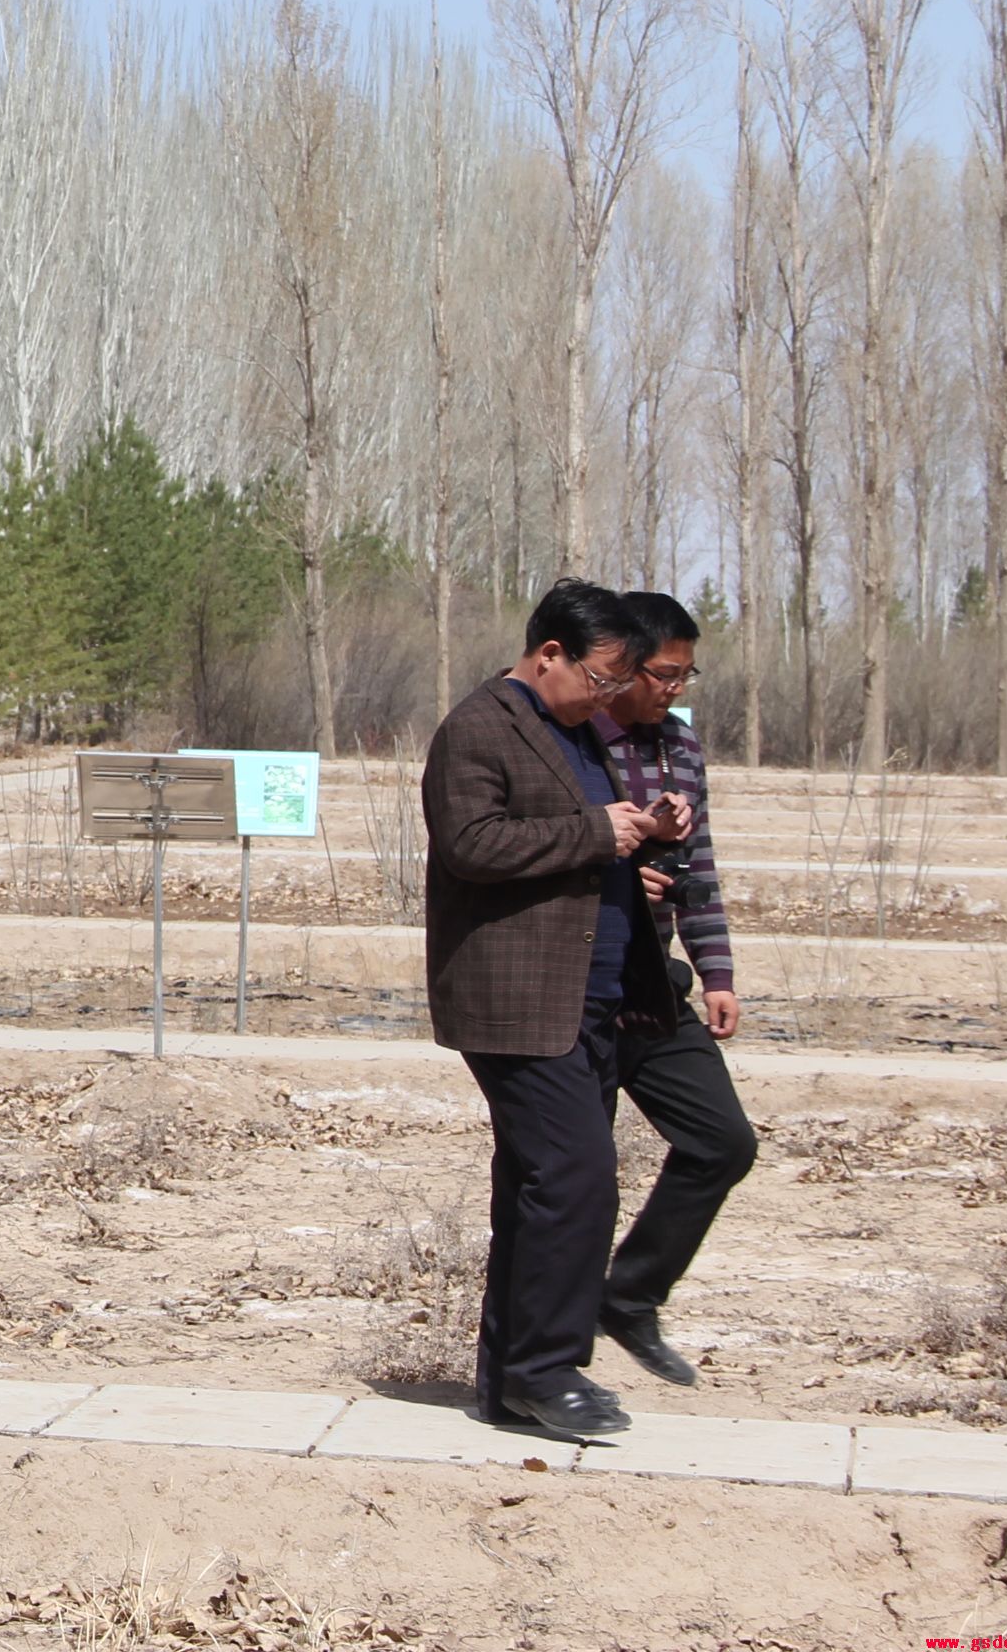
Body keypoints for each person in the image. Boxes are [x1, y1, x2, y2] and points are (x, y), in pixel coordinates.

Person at [422, 578, 694, 1442]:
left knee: (535, 1190)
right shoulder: (477, 728)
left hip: (591, 998)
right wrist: (595, 835)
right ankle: (549, 1371)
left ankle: (508, 1380)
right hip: (516, 999)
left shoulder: (572, 731)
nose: (613, 698)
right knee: (577, 1180)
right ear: (549, 655)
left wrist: (640, 838)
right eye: (604, 680)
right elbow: (471, 845)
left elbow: (582, 838)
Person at [584, 588, 759, 1386]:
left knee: (722, 1141)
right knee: (577, 1178)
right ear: (622, 666)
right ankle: (544, 1361)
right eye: (662, 674)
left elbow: (703, 868)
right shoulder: (576, 739)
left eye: (687, 676)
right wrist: (624, 877)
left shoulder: (682, 746)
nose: (674, 689)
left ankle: (631, 1293)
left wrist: (716, 972)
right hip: (584, 987)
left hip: (658, 988)